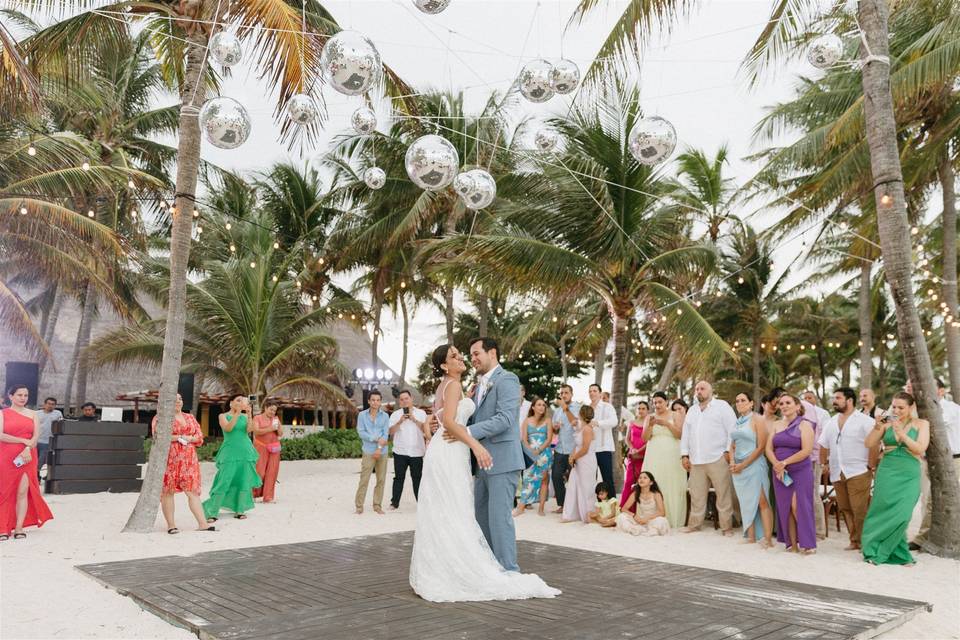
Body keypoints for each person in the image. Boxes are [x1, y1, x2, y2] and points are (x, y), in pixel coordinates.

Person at [409, 343, 559, 602]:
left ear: (493, 353)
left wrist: (463, 432)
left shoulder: (507, 379)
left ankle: (509, 571)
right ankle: (486, 568)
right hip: (474, 460)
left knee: (499, 518)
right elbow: (453, 416)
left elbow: (505, 419)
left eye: (476, 353)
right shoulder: (473, 386)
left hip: (500, 458)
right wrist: (435, 421)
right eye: (465, 355)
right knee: (476, 517)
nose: (471, 358)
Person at [860, 392, 929, 565]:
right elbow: (868, 444)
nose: (896, 410)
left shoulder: (921, 424)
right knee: (881, 511)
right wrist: (877, 427)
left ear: (911, 407)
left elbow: (920, 449)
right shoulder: (886, 420)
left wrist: (902, 434)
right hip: (887, 471)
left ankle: (889, 551)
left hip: (910, 473)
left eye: (901, 407)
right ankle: (880, 552)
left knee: (902, 515)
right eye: (894, 406)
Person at [817, 387, 875, 551]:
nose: (834, 401)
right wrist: (824, 464)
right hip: (837, 471)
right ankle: (854, 541)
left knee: (860, 509)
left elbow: (875, 444)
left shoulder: (865, 420)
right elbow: (822, 444)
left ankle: (866, 542)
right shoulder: (831, 422)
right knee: (846, 508)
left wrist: (870, 465)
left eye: (838, 398)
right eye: (834, 398)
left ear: (849, 400)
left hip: (858, 470)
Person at [680, 381, 737, 535]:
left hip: (717, 457)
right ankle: (694, 525)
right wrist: (684, 454)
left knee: (723, 494)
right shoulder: (692, 411)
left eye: (702, 388)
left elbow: (732, 429)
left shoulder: (722, 406)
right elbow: (686, 434)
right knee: (696, 495)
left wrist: (727, 451)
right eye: (697, 389)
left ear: (711, 391)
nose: (699, 391)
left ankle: (727, 527)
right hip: (696, 460)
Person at [152, 394, 213, 534]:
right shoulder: (160, 417)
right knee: (168, 491)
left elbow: (200, 437)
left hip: (189, 459)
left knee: (192, 491)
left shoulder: (190, 417)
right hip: (170, 459)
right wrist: (179, 437)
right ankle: (171, 525)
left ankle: (203, 524)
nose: (178, 401)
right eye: (174, 399)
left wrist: (189, 438)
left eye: (180, 398)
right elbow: (159, 436)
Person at [911, 379, 960, 551]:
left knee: (947, 499)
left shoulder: (951, 409)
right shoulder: (922, 410)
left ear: (941, 391)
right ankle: (923, 537)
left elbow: (936, 424)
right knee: (927, 499)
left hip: (953, 460)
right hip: (927, 461)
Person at [0, 385, 53, 540]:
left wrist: (27, 448)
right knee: (5, 491)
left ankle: (18, 528)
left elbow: (36, 437)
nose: (23, 398)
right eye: (19, 395)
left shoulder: (33, 414)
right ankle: (3, 528)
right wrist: (23, 440)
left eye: (26, 395)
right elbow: (1, 435)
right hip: (6, 456)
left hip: (28, 456)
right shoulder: (2, 414)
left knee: (22, 492)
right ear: (11, 396)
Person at [766, 393, 816, 554]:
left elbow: (807, 450)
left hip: (800, 470)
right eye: (781, 403)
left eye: (788, 402)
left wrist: (785, 463)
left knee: (798, 506)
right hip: (779, 471)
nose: (784, 406)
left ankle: (807, 543)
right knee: (785, 507)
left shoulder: (805, 425)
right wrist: (777, 465)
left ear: (797, 406)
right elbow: (768, 448)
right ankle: (792, 544)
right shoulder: (776, 424)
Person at [203, 395, 261, 521]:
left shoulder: (245, 416)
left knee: (243, 480)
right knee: (224, 480)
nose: (241, 403)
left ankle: (240, 510)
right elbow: (228, 428)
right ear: (231, 403)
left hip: (246, 451)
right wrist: (237, 413)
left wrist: (249, 414)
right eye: (238, 400)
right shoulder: (222, 416)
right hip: (230, 451)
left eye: (242, 400)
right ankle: (212, 511)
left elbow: (250, 430)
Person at [730, 393, 772, 548]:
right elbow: (732, 445)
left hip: (754, 465)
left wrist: (744, 464)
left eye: (743, 400)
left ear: (751, 403)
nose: (739, 403)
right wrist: (733, 463)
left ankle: (767, 539)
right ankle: (751, 536)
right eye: (737, 401)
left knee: (761, 500)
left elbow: (761, 447)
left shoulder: (758, 419)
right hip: (738, 467)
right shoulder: (736, 422)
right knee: (746, 501)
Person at [641, 392, 686, 528]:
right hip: (654, 454)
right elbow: (645, 438)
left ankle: (672, 519)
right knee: (655, 483)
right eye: (655, 403)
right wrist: (649, 425)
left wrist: (666, 424)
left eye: (660, 402)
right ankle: (651, 518)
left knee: (671, 484)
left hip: (672, 455)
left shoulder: (676, 415)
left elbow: (680, 434)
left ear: (667, 402)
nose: (657, 405)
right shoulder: (649, 417)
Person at [514, 397, 554, 516]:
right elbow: (524, 439)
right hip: (530, 454)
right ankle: (521, 507)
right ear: (533, 407)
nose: (542, 407)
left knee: (544, 480)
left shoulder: (547, 420)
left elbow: (549, 438)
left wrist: (540, 450)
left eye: (543, 405)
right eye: (539, 405)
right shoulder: (527, 421)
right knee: (528, 479)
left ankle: (541, 508)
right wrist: (531, 451)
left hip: (544, 454)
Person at [388, 390, 428, 511]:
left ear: (411, 399)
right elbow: (390, 432)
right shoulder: (395, 415)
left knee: (417, 478)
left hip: (417, 452)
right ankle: (394, 503)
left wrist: (414, 419)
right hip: (400, 451)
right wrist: (400, 421)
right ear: (399, 402)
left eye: (406, 398)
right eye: (402, 399)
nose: (404, 401)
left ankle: (420, 503)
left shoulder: (421, 413)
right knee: (399, 478)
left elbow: (426, 431)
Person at [354, 390, 390, 515]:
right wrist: (375, 439)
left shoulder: (385, 416)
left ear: (380, 401)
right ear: (369, 401)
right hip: (368, 451)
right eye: (373, 400)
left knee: (381, 479)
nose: (375, 402)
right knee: (364, 479)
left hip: (382, 452)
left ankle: (377, 505)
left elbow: (386, 434)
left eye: (378, 400)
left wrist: (379, 449)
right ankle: (359, 506)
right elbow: (361, 432)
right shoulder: (362, 415)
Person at [562, 405, 598, 523]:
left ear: (581, 414)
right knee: (574, 485)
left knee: (586, 487)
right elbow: (578, 446)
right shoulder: (581, 428)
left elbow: (585, 448)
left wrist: (573, 457)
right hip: (579, 460)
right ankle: (571, 514)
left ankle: (588, 514)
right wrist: (572, 456)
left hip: (587, 461)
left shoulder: (587, 429)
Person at [801, 390, 830, 539]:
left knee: (813, 493)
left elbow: (825, 437)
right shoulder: (799, 413)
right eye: (804, 398)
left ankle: (819, 531)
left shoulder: (822, 414)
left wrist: (825, 460)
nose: (807, 400)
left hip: (815, 457)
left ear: (815, 399)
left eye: (809, 397)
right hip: (801, 458)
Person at [550, 384, 580, 513]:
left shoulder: (578, 408)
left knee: (574, 478)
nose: (563, 395)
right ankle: (562, 504)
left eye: (566, 393)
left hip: (573, 450)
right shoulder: (557, 411)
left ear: (571, 394)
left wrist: (565, 408)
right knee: (556, 476)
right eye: (561, 393)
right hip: (559, 449)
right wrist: (555, 428)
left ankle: (575, 505)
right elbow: (554, 431)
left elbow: (576, 424)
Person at [616, 471, 669, 536]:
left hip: (653, 519)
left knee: (662, 521)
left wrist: (647, 518)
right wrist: (634, 515)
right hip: (641, 519)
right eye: (640, 478)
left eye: (645, 478)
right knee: (621, 516)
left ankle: (652, 530)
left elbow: (662, 513)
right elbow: (623, 509)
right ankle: (635, 529)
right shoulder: (635, 493)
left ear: (651, 482)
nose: (641, 479)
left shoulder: (656, 494)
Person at [588, 384, 618, 498]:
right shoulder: (587, 408)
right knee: (591, 479)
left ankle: (613, 507)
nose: (592, 393)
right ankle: (594, 505)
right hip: (589, 449)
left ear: (600, 394)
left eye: (594, 391)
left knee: (607, 478)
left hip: (604, 448)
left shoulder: (607, 406)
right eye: (590, 391)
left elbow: (614, 421)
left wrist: (598, 423)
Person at [251, 401, 283, 503]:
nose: (273, 412)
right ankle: (254, 494)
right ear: (265, 408)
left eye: (274, 410)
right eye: (271, 409)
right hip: (261, 446)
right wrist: (270, 428)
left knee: (272, 472)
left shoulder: (276, 419)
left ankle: (268, 496)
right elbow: (256, 431)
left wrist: (278, 428)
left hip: (274, 448)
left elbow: (280, 434)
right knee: (259, 471)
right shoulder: (257, 418)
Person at [620, 401, 648, 508]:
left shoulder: (649, 423)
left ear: (647, 410)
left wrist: (640, 450)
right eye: (639, 408)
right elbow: (627, 439)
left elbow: (649, 441)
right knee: (629, 482)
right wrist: (633, 449)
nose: (640, 411)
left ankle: (640, 509)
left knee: (642, 483)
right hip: (633, 455)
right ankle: (624, 507)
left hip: (645, 456)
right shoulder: (631, 422)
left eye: (643, 408)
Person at [36, 397, 62, 483]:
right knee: (34, 460)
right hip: (35, 440)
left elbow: (61, 426)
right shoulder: (37, 413)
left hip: (48, 441)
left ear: (55, 406)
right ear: (44, 404)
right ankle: (36, 476)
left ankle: (39, 477)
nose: (50, 406)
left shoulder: (58, 413)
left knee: (42, 460)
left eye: (53, 404)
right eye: (49, 403)